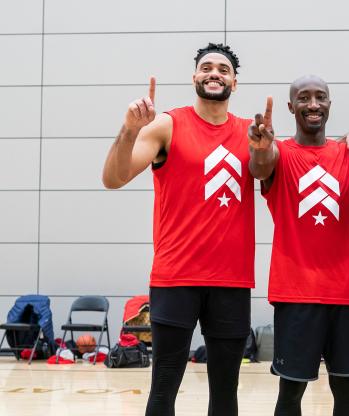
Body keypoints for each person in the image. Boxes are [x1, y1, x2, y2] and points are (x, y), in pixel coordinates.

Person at [102, 43, 254, 416]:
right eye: (206, 67)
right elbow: (113, 178)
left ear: (235, 82)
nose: (214, 73)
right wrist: (129, 129)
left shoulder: (253, 133)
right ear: (194, 78)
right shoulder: (167, 124)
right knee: (164, 386)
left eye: (223, 69)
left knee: (225, 391)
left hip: (231, 281)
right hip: (175, 278)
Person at [248, 75, 349, 416]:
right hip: (296, 293)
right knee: (290, 393)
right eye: (304, 98)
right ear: (291, 107)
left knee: (346, 394)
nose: (313, 104)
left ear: (330, 105)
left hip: (347, 293)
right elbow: (260, 169)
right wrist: (259, 147)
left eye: (321, 97)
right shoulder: (279, 154)